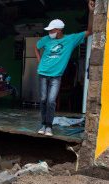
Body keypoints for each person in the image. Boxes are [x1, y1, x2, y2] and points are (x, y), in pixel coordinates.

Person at [34, 0, 94, 136]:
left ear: (59, 30)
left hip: (56, 75)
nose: (49, 32)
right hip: (42, 73)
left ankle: (49, 126)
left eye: (52, 30)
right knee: (43, 99)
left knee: (51, 101)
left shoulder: (70, 39)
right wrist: (39, 61)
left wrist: (91, 12)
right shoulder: (46, 39)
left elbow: (90, 31)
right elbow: (36, 46)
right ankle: (43, 124)